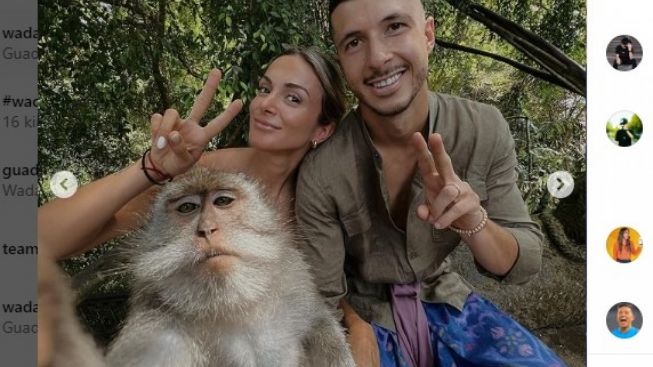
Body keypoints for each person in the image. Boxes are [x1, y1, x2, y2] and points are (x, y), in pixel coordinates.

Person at [295, 0, 565, 366]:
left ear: (428, 34)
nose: (377, 58)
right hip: (365, 315)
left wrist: (474, 223)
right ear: (342, 60)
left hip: (446, 298)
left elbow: (524, 262)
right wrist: (351, 327)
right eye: (354, 42)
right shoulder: (323, 169)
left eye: (395, 27)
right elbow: (321, 297)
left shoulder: (482, 129)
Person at [38, 47, 346, 259]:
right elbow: (42, 241)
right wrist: (150, 168)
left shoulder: (324, 198)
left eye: (293, 98)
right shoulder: (207, 175)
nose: (265, 104)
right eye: (265, 89)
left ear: (322, 129)